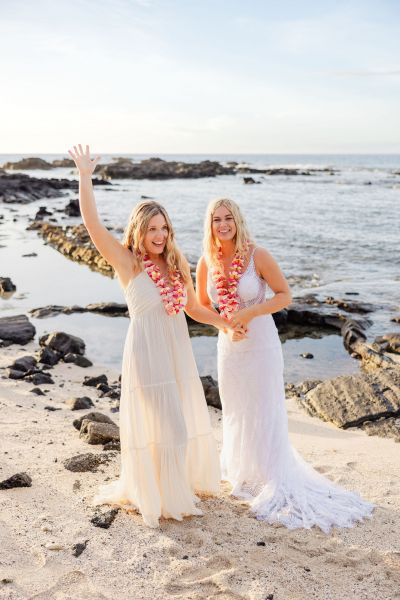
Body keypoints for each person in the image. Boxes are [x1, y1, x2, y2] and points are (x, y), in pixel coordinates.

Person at [68, 145, 230, 528]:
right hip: (145, 353)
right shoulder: (127, 261)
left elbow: (193, 308)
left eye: (164, 228)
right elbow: (92, 224)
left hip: (175, 353)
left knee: (176, 427)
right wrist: (85, 175)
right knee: (171, 427)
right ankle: (167, 500)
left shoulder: (176, 263)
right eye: (152, 229)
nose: (159, 235)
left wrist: (225, 322)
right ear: (139, 231)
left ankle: (167, 490)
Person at [196, 197, 374, 533]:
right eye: (216, 219)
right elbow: (204, 304)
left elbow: (284, 295)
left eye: (228, 218)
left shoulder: (256, 255)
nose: (223, 225)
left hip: (261, 341)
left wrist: (248, 313)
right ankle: (243, 473)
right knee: (236, 408)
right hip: (229, 346)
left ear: (237, 221)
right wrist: (225, 324)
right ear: (210, 224)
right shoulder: (207, 260)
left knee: (265, 406)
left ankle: (270, 475)